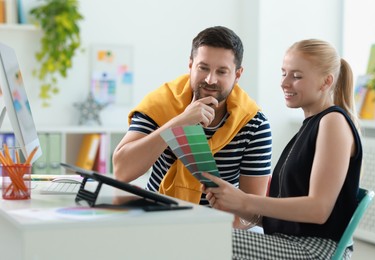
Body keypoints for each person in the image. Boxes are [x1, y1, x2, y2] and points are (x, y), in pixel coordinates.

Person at [202, 39, 362, 259]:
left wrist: (245, 200)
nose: (284, 83)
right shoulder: (308, 128)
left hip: (315, 249)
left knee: (207, 239)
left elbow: (318, 210)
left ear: (326, 82)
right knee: (207, 234)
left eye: (296, 76)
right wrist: (236, 204)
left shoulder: (332, 122)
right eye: (283, 73)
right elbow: (287, 217)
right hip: (288, 241)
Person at [112, 26, 272, 227]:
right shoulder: (162, 103)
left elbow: (254, 214)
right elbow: (122, 170)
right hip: (154, 221)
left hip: (218, 228)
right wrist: (179, 123)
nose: (210, 80)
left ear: (238, 74)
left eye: (222, 71)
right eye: (203, 68)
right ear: (190, 65)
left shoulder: (254, 124)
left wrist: (232, 220)